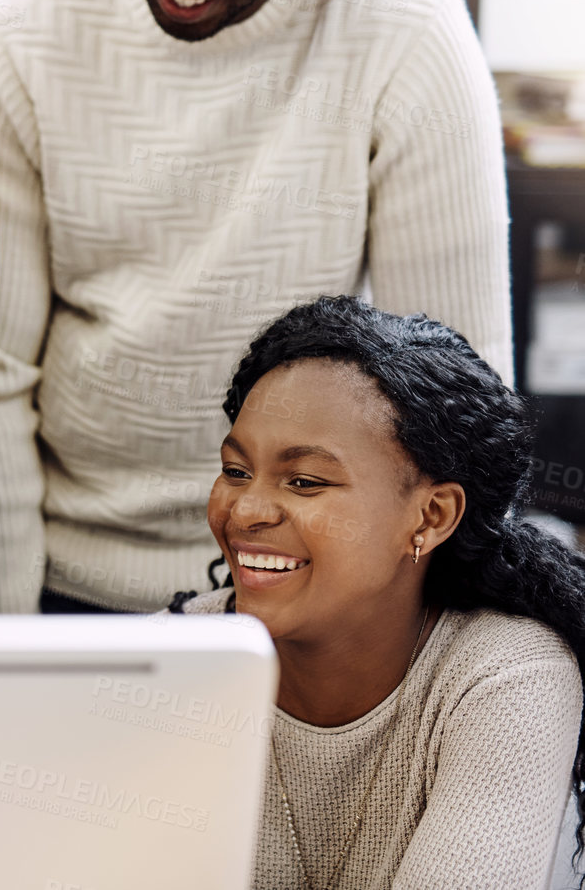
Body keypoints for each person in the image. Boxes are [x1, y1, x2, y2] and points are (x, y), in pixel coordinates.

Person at [0, 0, 513, 615]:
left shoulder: (411, 31)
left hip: (317, 597)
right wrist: (9, 648)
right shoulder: (27, 36)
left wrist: (405, 651)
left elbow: (459, 396)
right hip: (73, 587)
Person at [169, 296, 583, 888]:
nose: (246, 510)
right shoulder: (172, 659)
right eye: (236, 471)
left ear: (430, 517)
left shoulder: (504, 679)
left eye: (305, 481)